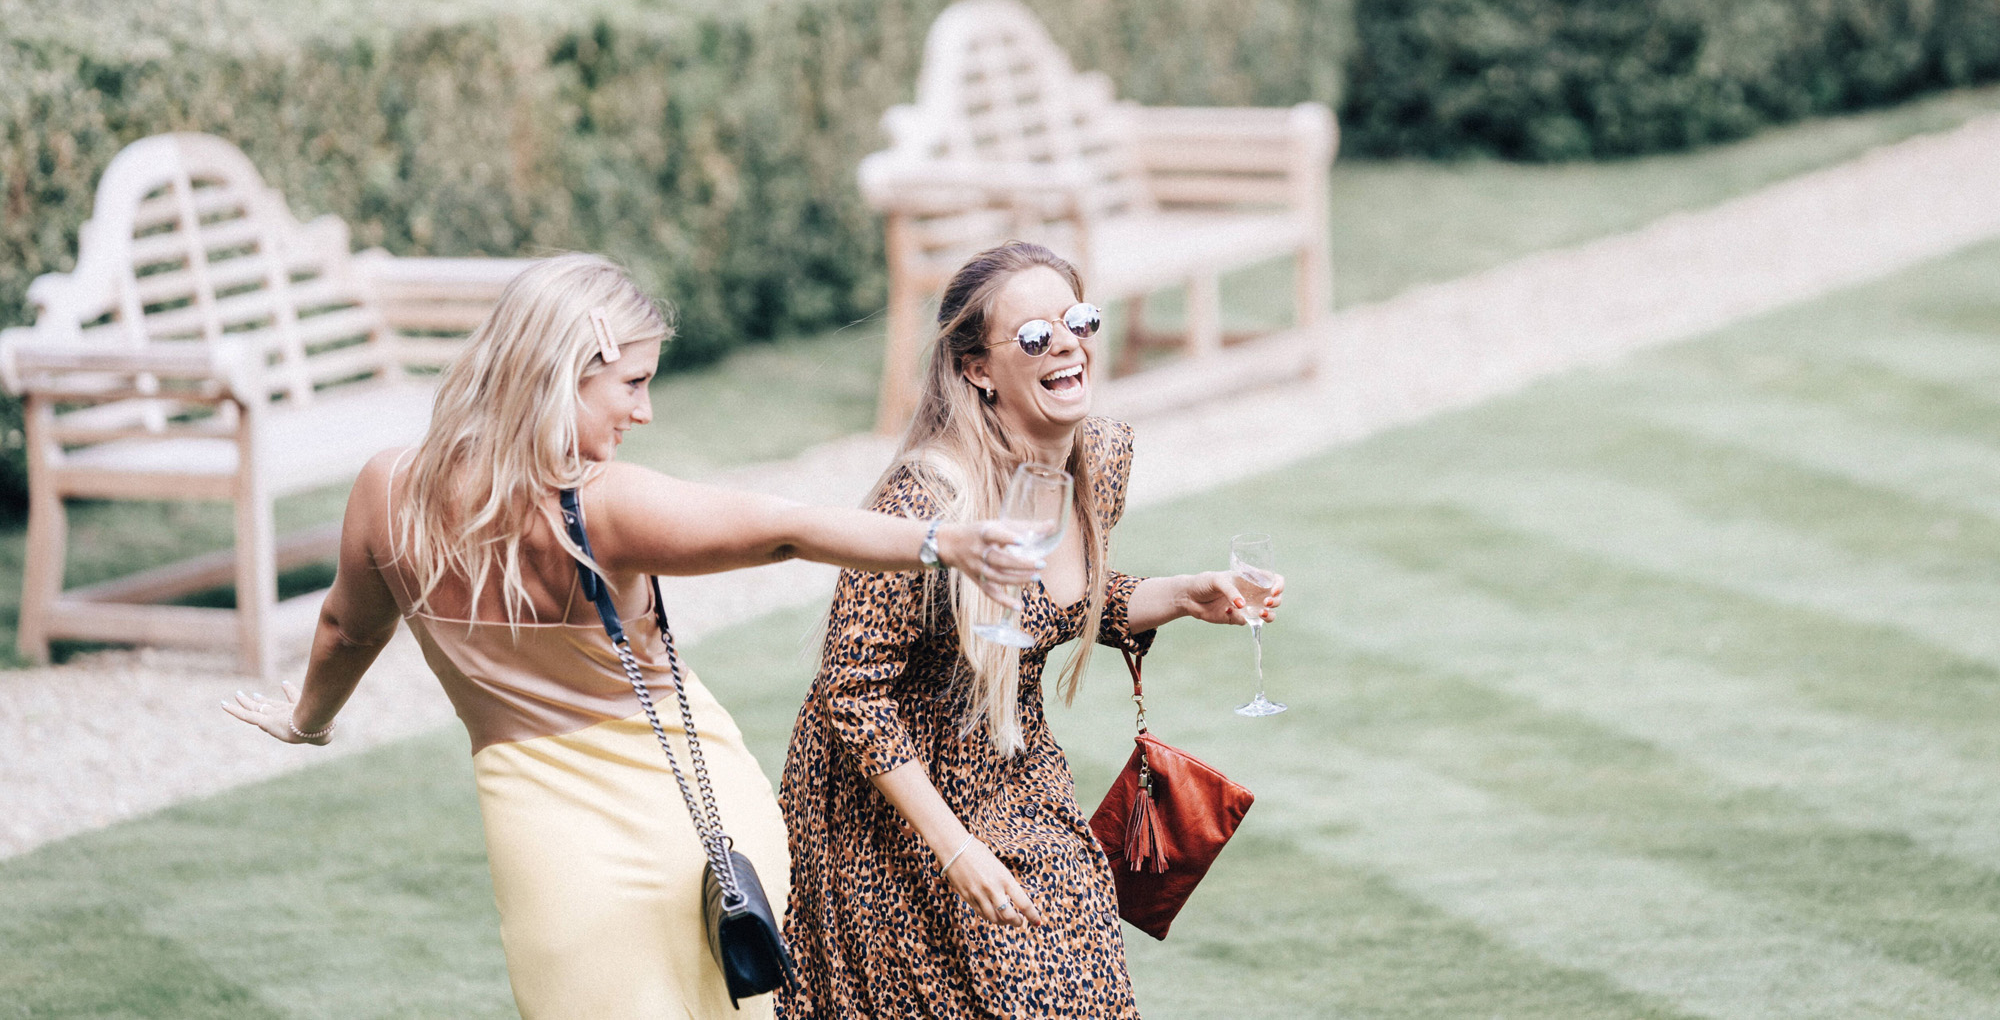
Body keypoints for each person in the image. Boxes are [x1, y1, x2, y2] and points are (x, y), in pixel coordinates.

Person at [222, 253, 1037, 1020]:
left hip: (548, 841)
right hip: (702, 819)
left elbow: (344, 629)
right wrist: (938, 542)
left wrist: (309, 720)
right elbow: (784, 531)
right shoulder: (599, 504)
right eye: (633, 382)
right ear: (560, 375)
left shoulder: (386, 489)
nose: (644, 409)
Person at [779, 241, 1284, 1018]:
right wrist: (954, 848)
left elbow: (1059, 603)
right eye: (1034, 335)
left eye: (1076, 319)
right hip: (890, 790)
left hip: (1011, 760)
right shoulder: (925, 497)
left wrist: (1184, 594)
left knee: (1079, 959)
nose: (1068, 344)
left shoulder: (1101, 455)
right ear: (979, 368)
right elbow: (851, 690)